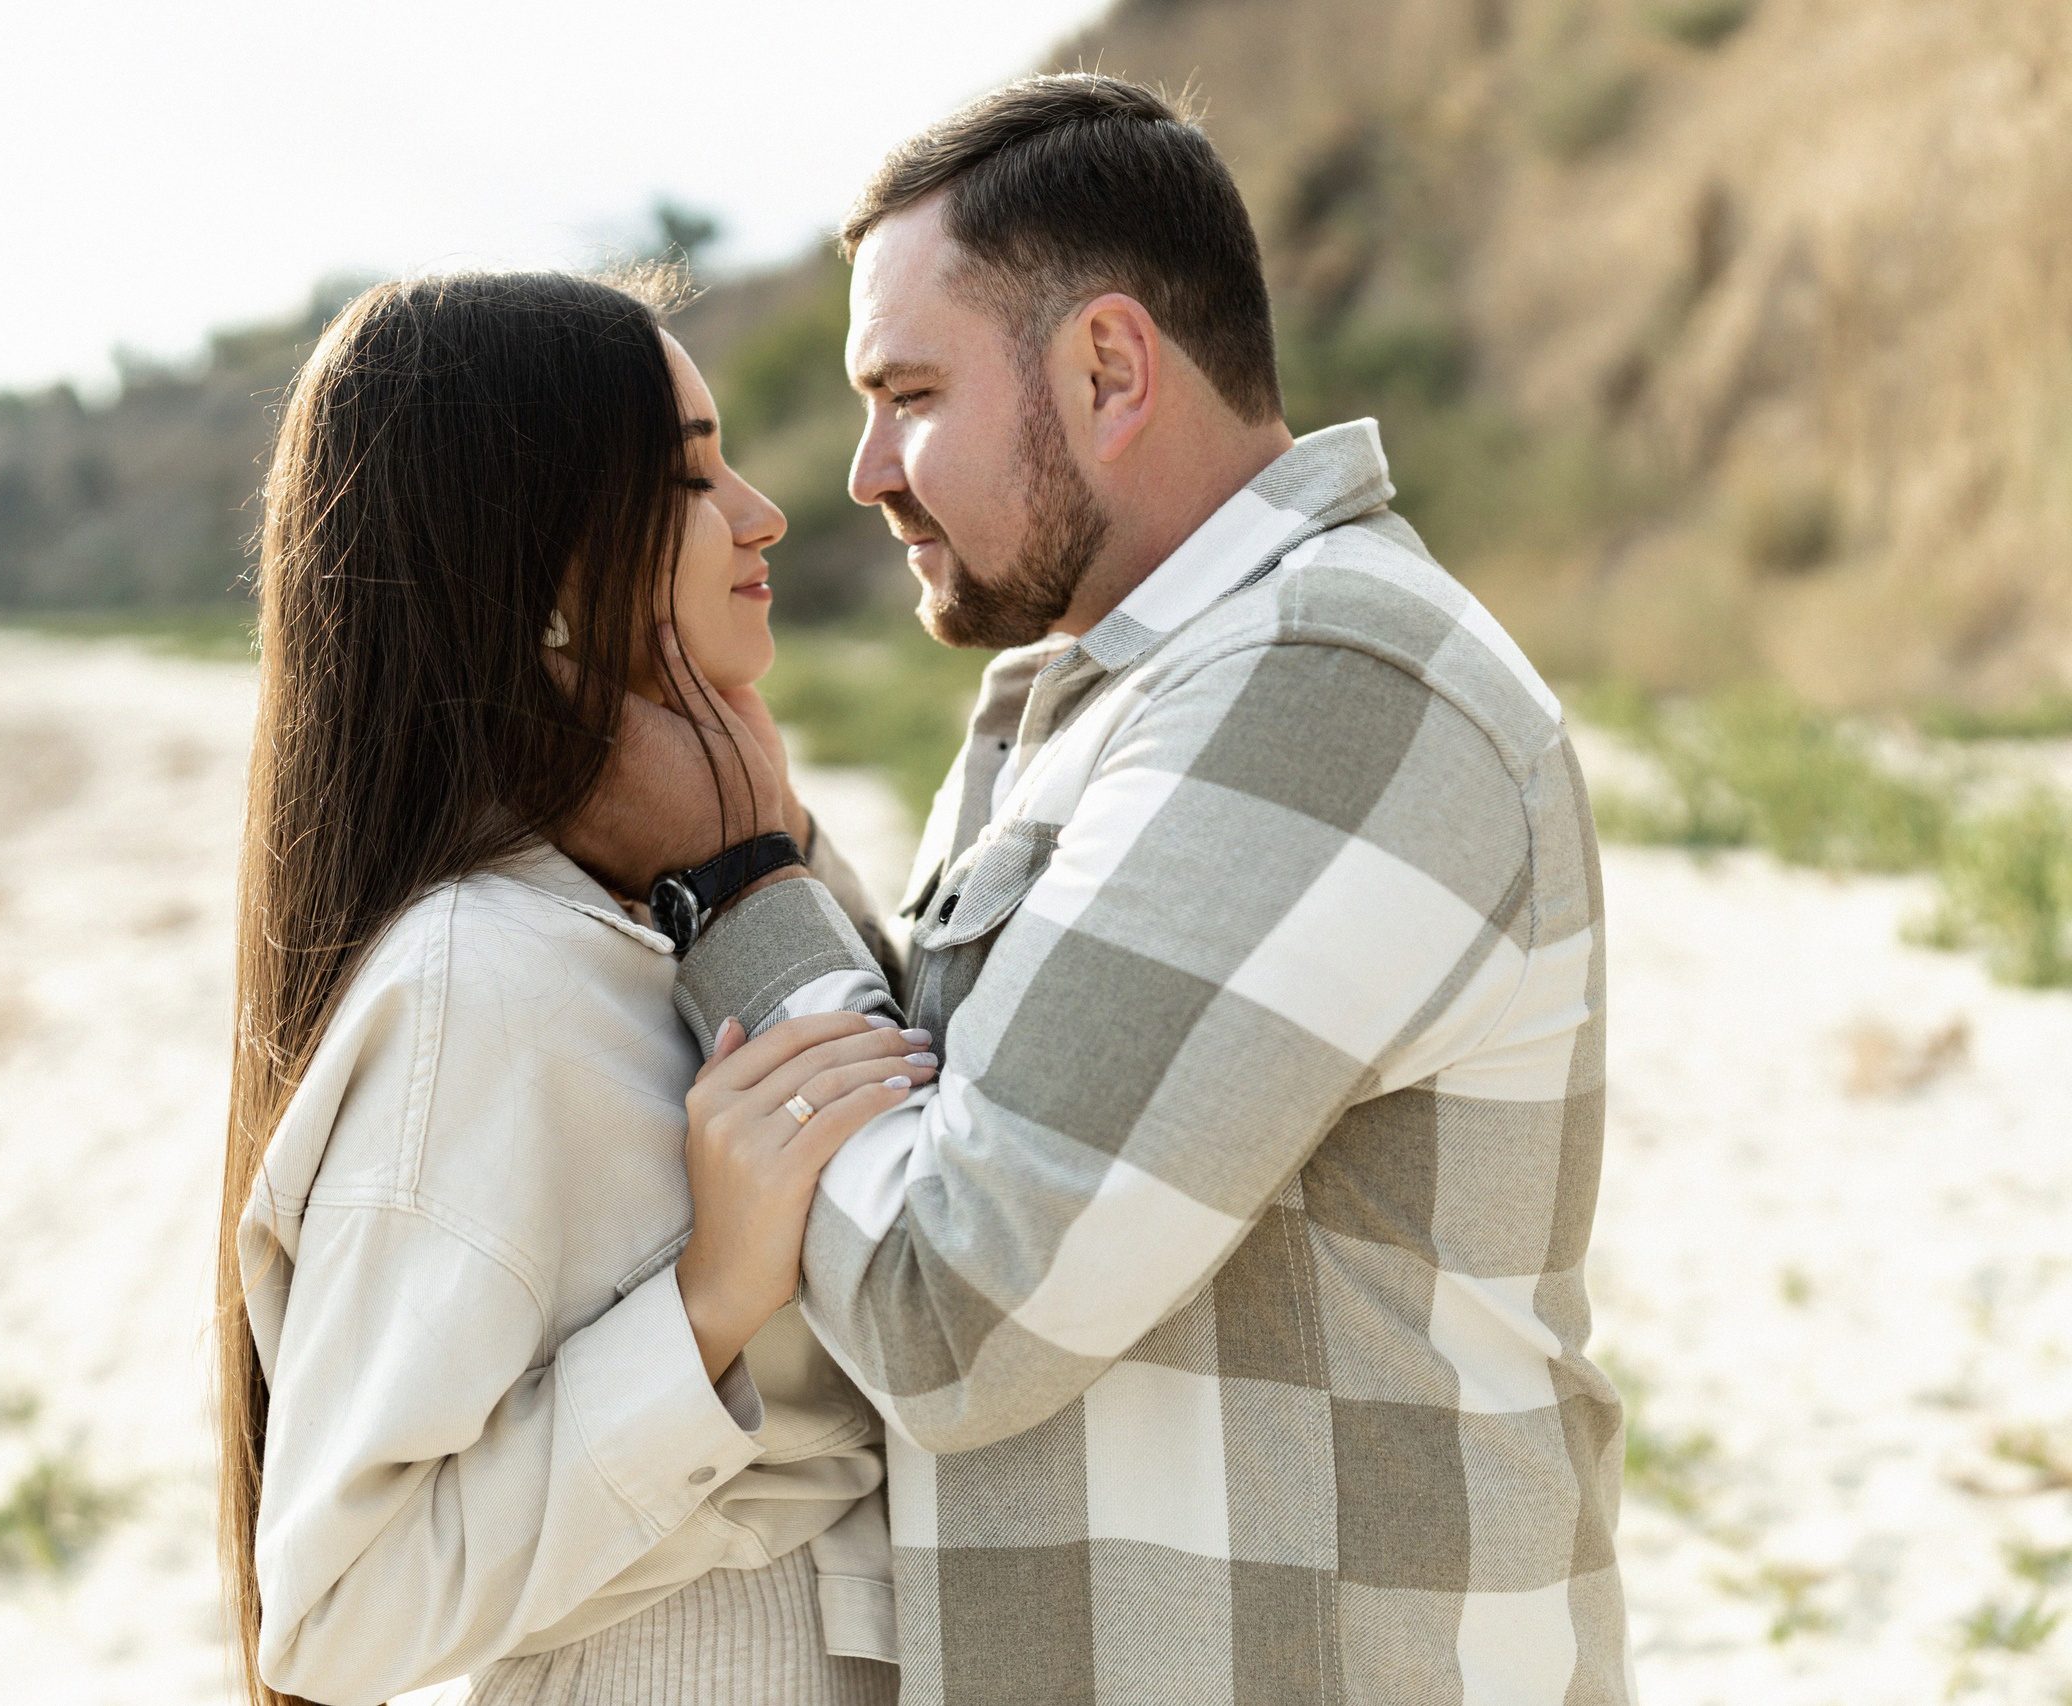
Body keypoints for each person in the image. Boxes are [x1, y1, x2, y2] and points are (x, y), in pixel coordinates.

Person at [567, 76, 1634, 1704]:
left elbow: (950, 1307)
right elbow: (940, 1106)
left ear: (1110, 370)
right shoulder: (1128, 689)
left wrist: (733, 881)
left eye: (910, 394)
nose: (863, 471)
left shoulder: (1331, 683)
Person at [214, 272, 925, 1706]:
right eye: (690, 478)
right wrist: (706, 1306)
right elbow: (335, 1608)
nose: (762, 513)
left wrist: (758, 853)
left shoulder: (691, 877)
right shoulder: (483, 976)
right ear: (534, 559)